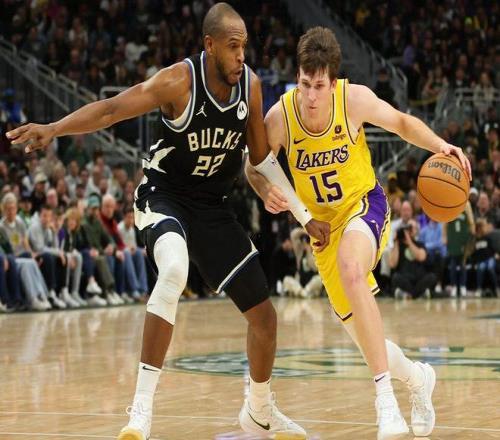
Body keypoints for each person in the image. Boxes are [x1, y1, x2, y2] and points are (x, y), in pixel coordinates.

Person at [7, 4, 330, 439]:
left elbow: (262, 160)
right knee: (174, 269)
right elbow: (111, 110)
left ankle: (258, 410)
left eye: (245, 47)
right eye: (233, 47)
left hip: (212, 207)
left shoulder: (250, 87)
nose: (241, 55)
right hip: (165, 195)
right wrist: (54, 128)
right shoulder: (178, 81)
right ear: (210, 45)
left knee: (265, 318)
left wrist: (304, 215)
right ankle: (140, 410)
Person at [246, 27, 471, 439]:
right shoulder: (280, 117)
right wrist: (265, 192)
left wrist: (440, 145)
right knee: (369, 343)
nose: (310, 96)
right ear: (297, 77)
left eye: (319, 86)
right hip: (322, 230)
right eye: (304, 84)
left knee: (352, 267)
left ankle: (385, 403)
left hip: (365, 206)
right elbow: (254, 165)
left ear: (333, 83)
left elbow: (401, 122)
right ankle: (418, 379)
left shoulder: (353, 99)